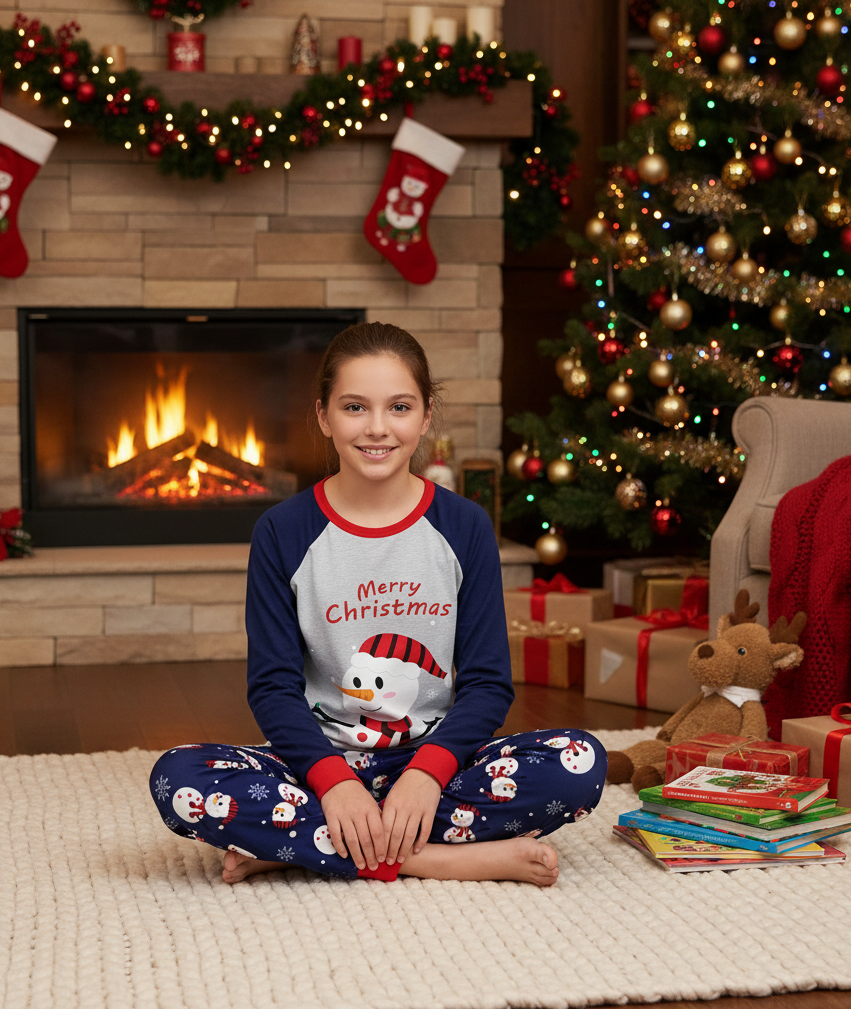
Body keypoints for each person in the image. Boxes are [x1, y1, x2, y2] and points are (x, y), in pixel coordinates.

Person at [149, 322, 607, 886]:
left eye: (398, 407)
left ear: (425, 414)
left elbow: (488, 683)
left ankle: (300, 848)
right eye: (354, 407)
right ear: (323, 416)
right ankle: (440, 859)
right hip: (318, 767)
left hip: (440, 765)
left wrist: (428, 774)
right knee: (179, 779)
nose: (377, 428)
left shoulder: (464, 526)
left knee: (580, 761)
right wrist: (334, 781)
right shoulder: (283, 531)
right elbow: (272, 686)